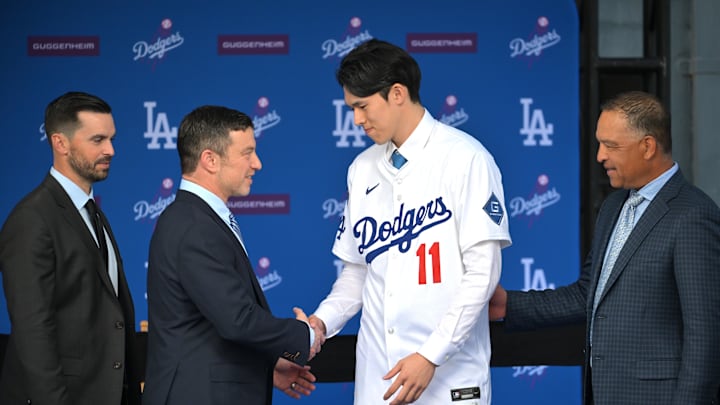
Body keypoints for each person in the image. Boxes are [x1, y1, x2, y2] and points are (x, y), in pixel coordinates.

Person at [309, 39, 512, 405]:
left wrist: (430, 354)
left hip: (449, 377)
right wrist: (321, 323)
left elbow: (482, 273)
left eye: (362, 106)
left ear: (397, 93)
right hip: (378, 379)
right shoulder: (362, 168)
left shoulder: (466, 159)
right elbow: (358, 272)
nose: (356, 119)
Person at [489, 91, 720, 404]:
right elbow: (587, 294)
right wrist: (508, 305)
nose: (600, 156)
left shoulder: (693, 215)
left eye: (611, 145)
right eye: (600, 144)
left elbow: (705, 336)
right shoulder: (613, 207)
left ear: (648, 146)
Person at [142, 105, 319, 405]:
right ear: (210, 160)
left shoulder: (197, 218)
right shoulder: (194, 225)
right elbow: (236, 319)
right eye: (247, 153)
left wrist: (266, 367)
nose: (257, 164)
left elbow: (207, 327)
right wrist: (306, 336)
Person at [0, 91, 141, 405]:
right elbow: (32, 331)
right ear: (59, 143)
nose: (111, 150)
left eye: (112, 139)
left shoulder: (92, 212)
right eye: (98, 140)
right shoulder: (31, 219)